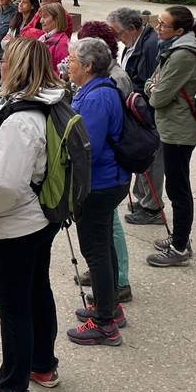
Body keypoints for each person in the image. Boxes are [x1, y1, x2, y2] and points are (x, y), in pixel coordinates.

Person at [0, 37, 65, 392]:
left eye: (5, 59)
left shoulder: (20, 119)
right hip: (38, 219)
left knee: (15, 307)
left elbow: (6, 185)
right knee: (37, 291)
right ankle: (42, 364)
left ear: (16, 67)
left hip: (13, 226)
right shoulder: (45, 104)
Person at [63, 37, 129, 346]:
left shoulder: (95, 98)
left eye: (73, 60)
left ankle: (104, 323)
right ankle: (110, 306)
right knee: (103, 247)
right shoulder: (95, 90)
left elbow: (86, 147)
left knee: (96, 251)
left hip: (100, 183)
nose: (68, 64)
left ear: (88, 66)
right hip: (107, 180)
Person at [144, 5, 196, 267]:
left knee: (178, 189)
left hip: (178, 130)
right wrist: (154, 86)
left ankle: (180, 247)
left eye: (163, 25)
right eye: (158, 22)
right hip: (171, 126)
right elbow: (153, 83)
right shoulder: (173, 49)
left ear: (179, 31)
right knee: (176, 186)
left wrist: (153, 87)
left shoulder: (183, 55)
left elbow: (158, 96)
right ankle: (180, 239)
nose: (158, 27)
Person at [107, 8, 165, 226]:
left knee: (152, 160)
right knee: (143, 158)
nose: (115, 37)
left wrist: (128, 92)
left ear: (132, 28)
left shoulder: (150, 46)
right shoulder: (135, 42)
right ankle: (144, 200)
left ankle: (153, 207)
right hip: (138, 110)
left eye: (117, 32)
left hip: (147, 113)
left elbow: (151, 83)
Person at [37, 3, 70, 73]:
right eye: (41, 17)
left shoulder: (62, 44)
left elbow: (62, 74)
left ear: (57, 19)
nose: (41, 21)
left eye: (45, 17)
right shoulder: (43, 37)